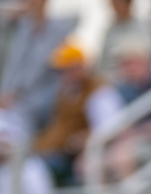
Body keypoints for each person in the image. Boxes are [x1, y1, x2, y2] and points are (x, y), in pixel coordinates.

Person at [89, 43, 151, 182]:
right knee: (91, 162)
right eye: (124, 64)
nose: (128, 69)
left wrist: (139, 132)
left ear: (145, 62)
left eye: (132, 63)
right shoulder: (124, 91)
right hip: (136, 144)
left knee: (123, 157)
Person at [0, 0, 75, 137]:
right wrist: (6, 92)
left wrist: (17, 93)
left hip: (45, 93)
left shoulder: (58, 29)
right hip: (20, 95)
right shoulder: (23, 29)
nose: (31, 0)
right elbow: (14, 63)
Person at [30, 43, 108, 185]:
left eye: (64, 70)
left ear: (79, 68)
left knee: (35, 171)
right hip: (53, 151)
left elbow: (109, 128)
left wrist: (83, 139)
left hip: (75, 157)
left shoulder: (99, 93)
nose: (62, 76)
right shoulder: (63, 93)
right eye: (60, 72)